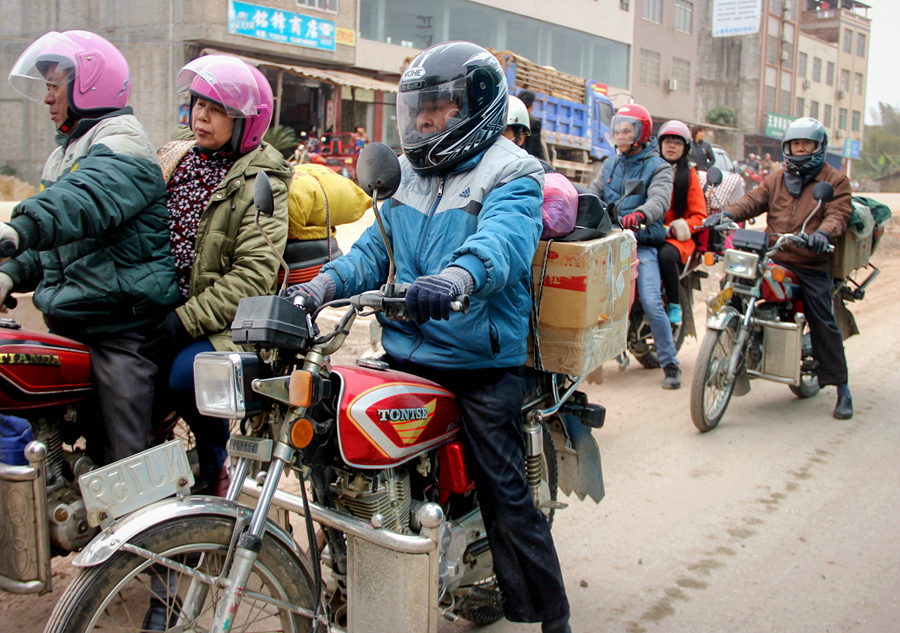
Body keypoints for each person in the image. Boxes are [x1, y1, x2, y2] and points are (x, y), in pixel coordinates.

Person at [289, 41, 572, 633]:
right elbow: (373, 252)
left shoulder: (513, 171)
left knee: (504, 491)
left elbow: (502, 244)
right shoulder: (407, 176)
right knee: (327, 436)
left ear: (476, 108)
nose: (424, 120)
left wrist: (456, 278)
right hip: (405, 348)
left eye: (439, 107)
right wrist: (317, 290)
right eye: (418, 108)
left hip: (478, 361)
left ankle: (552, 614)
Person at [0, 30, 179, 466]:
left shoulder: (122, 142)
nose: (47, 98)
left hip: (121, 327)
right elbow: (55, 244)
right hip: (75, 321)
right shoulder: (64, 154)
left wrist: (17, 228)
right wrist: (9, 272)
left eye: (54, 85)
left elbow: (82, 201)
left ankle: (146, 504)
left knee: (125, 461)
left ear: (89, 85)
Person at [151, 55, 292, 496]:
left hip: (226, 322)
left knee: (185, 374)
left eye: (216, 110)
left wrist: (183, 321)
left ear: (246, 122)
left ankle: (217, 466)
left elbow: (253, 276)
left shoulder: (263, 181)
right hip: (166, 304)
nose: (200, 116)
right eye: (198, 104)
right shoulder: (176, 158)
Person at [716, 117, 854, 419]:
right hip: (773, 256)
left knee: (823, 321)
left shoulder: (835, 181)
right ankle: (732, 345)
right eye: (795, 144)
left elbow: (839, 214)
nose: (800, 149)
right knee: (731, 285)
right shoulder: (777, 179)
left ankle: (842, 388)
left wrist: (822, 234)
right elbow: (753, 200)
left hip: (809, 263)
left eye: (807, 144)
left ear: (819, 147)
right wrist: (726, 213)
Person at [588, 104, 680, 389]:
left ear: (642, 133)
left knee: (651, 300)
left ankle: (670, 364)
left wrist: (640, 214)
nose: (620, 135)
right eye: (617, 130)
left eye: (627, 130)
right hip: (611, 241)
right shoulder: (610, 165)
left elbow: (660, 199)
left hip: (642, 243)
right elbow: (592, 193)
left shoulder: (658, 166)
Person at [656, 120, 707, 326]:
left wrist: (676, 229)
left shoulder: (690, 175)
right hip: (649, 230)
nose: (671, 146)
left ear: (685, 148)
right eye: (667, 141)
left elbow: (700, 216)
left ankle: (674, 304)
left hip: (677, 239)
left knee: (665, 255)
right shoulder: (651, 168)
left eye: (677, 142)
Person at [518, 89, 546, 160]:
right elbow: (535, 150)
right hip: (526, 161)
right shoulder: (534, 123)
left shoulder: (511, 118)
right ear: (531, 105)